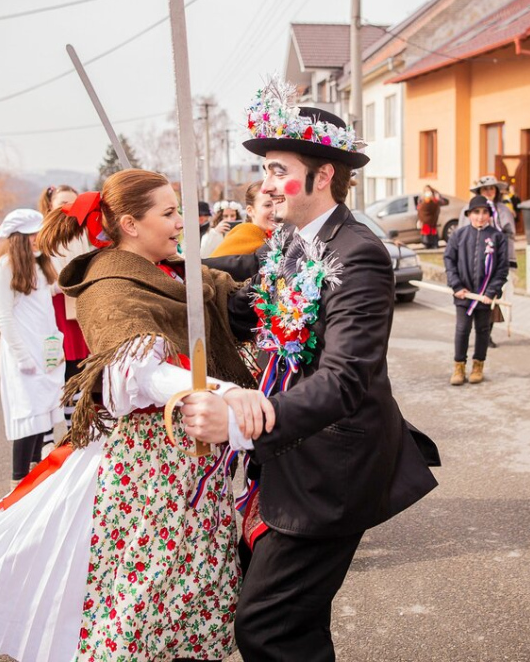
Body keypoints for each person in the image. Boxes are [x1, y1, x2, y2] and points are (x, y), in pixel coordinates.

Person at [0, 168, 269, 662]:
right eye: (168, 213)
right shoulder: (109, 284)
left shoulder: (176, 271)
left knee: (197, 585)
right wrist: (219, 391)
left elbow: (233, 293)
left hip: (197, 462)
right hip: (154, 467)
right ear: (130, 223)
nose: (181, 221)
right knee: (146, 595)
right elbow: (139, 373)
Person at [178, 78, 439, 662]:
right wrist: (154, 260)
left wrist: (245, 420)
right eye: (266, 171)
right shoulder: (288, 243)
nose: (266, 185)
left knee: (268, 628)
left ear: (322, 176)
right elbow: (233, 289)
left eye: (276, 170)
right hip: (286, 458)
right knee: (291, 623)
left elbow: (347, 379)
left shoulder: (358, 253)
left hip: (333, 466)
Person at [0, 208, 65, 489]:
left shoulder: (39, 266)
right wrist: (22, 356)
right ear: (18, 238)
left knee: (42, 414)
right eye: (32, 235)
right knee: (27, 416)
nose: (37, 239)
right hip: (25, 355)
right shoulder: (4, 269)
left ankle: (34, 480)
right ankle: (17, 483)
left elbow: (48, 297)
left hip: (45, 351)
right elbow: (3, 317)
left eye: (39, 234)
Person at [39, 184, 91, 434]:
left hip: (79, 307)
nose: (67, 208)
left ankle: (76, 428)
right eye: (62, 204)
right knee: (58, 367)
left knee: (80, 367)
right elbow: (42, 281)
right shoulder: (42, 237)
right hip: (57, 309)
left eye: (72, 203)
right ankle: (52, 432)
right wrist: (64, 281)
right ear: (51, 206)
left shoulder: (83, 233)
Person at [444, 195, 509, 386]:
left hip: (484, 297)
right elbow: (449, 260)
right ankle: (459, 366)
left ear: (489, 214)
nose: (480, 217)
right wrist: (456, 285)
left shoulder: (498, 237)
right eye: (476, 212)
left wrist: (491, 291)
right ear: (469, 214)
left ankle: (478, 366)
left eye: (484, 212)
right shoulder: (459, 235)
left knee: (482, 330)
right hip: (464, 294)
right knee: (462, 330)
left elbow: (502, 268)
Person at [459, 175, 517, 348]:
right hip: (473, 263)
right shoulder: (467, 211)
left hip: (496, 263)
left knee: (490, 301)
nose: (489, 192)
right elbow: (461, 237)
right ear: (479, 192)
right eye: (485, 189)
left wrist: (509, 260)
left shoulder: (503, 211)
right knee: (469, 300)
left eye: (492, 189)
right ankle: (465, 335)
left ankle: (485, 335)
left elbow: (510, 237)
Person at [210, 180, 277, 258]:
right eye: (268, 205)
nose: (275, 211)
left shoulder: (275, 237)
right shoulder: (243, 236)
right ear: (250, 210)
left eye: (279, 203)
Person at [416, 184, 447, 249]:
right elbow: (420, 208)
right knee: (427, 232)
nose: (427, 192)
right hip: (425, 221)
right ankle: (427, 244)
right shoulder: (422, 198)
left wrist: (434, 200)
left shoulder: (435, 198)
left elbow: (437, 206)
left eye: (428, 190)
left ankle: (433, 244)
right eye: (425, 190)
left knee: (432, 232)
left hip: (432, 219)